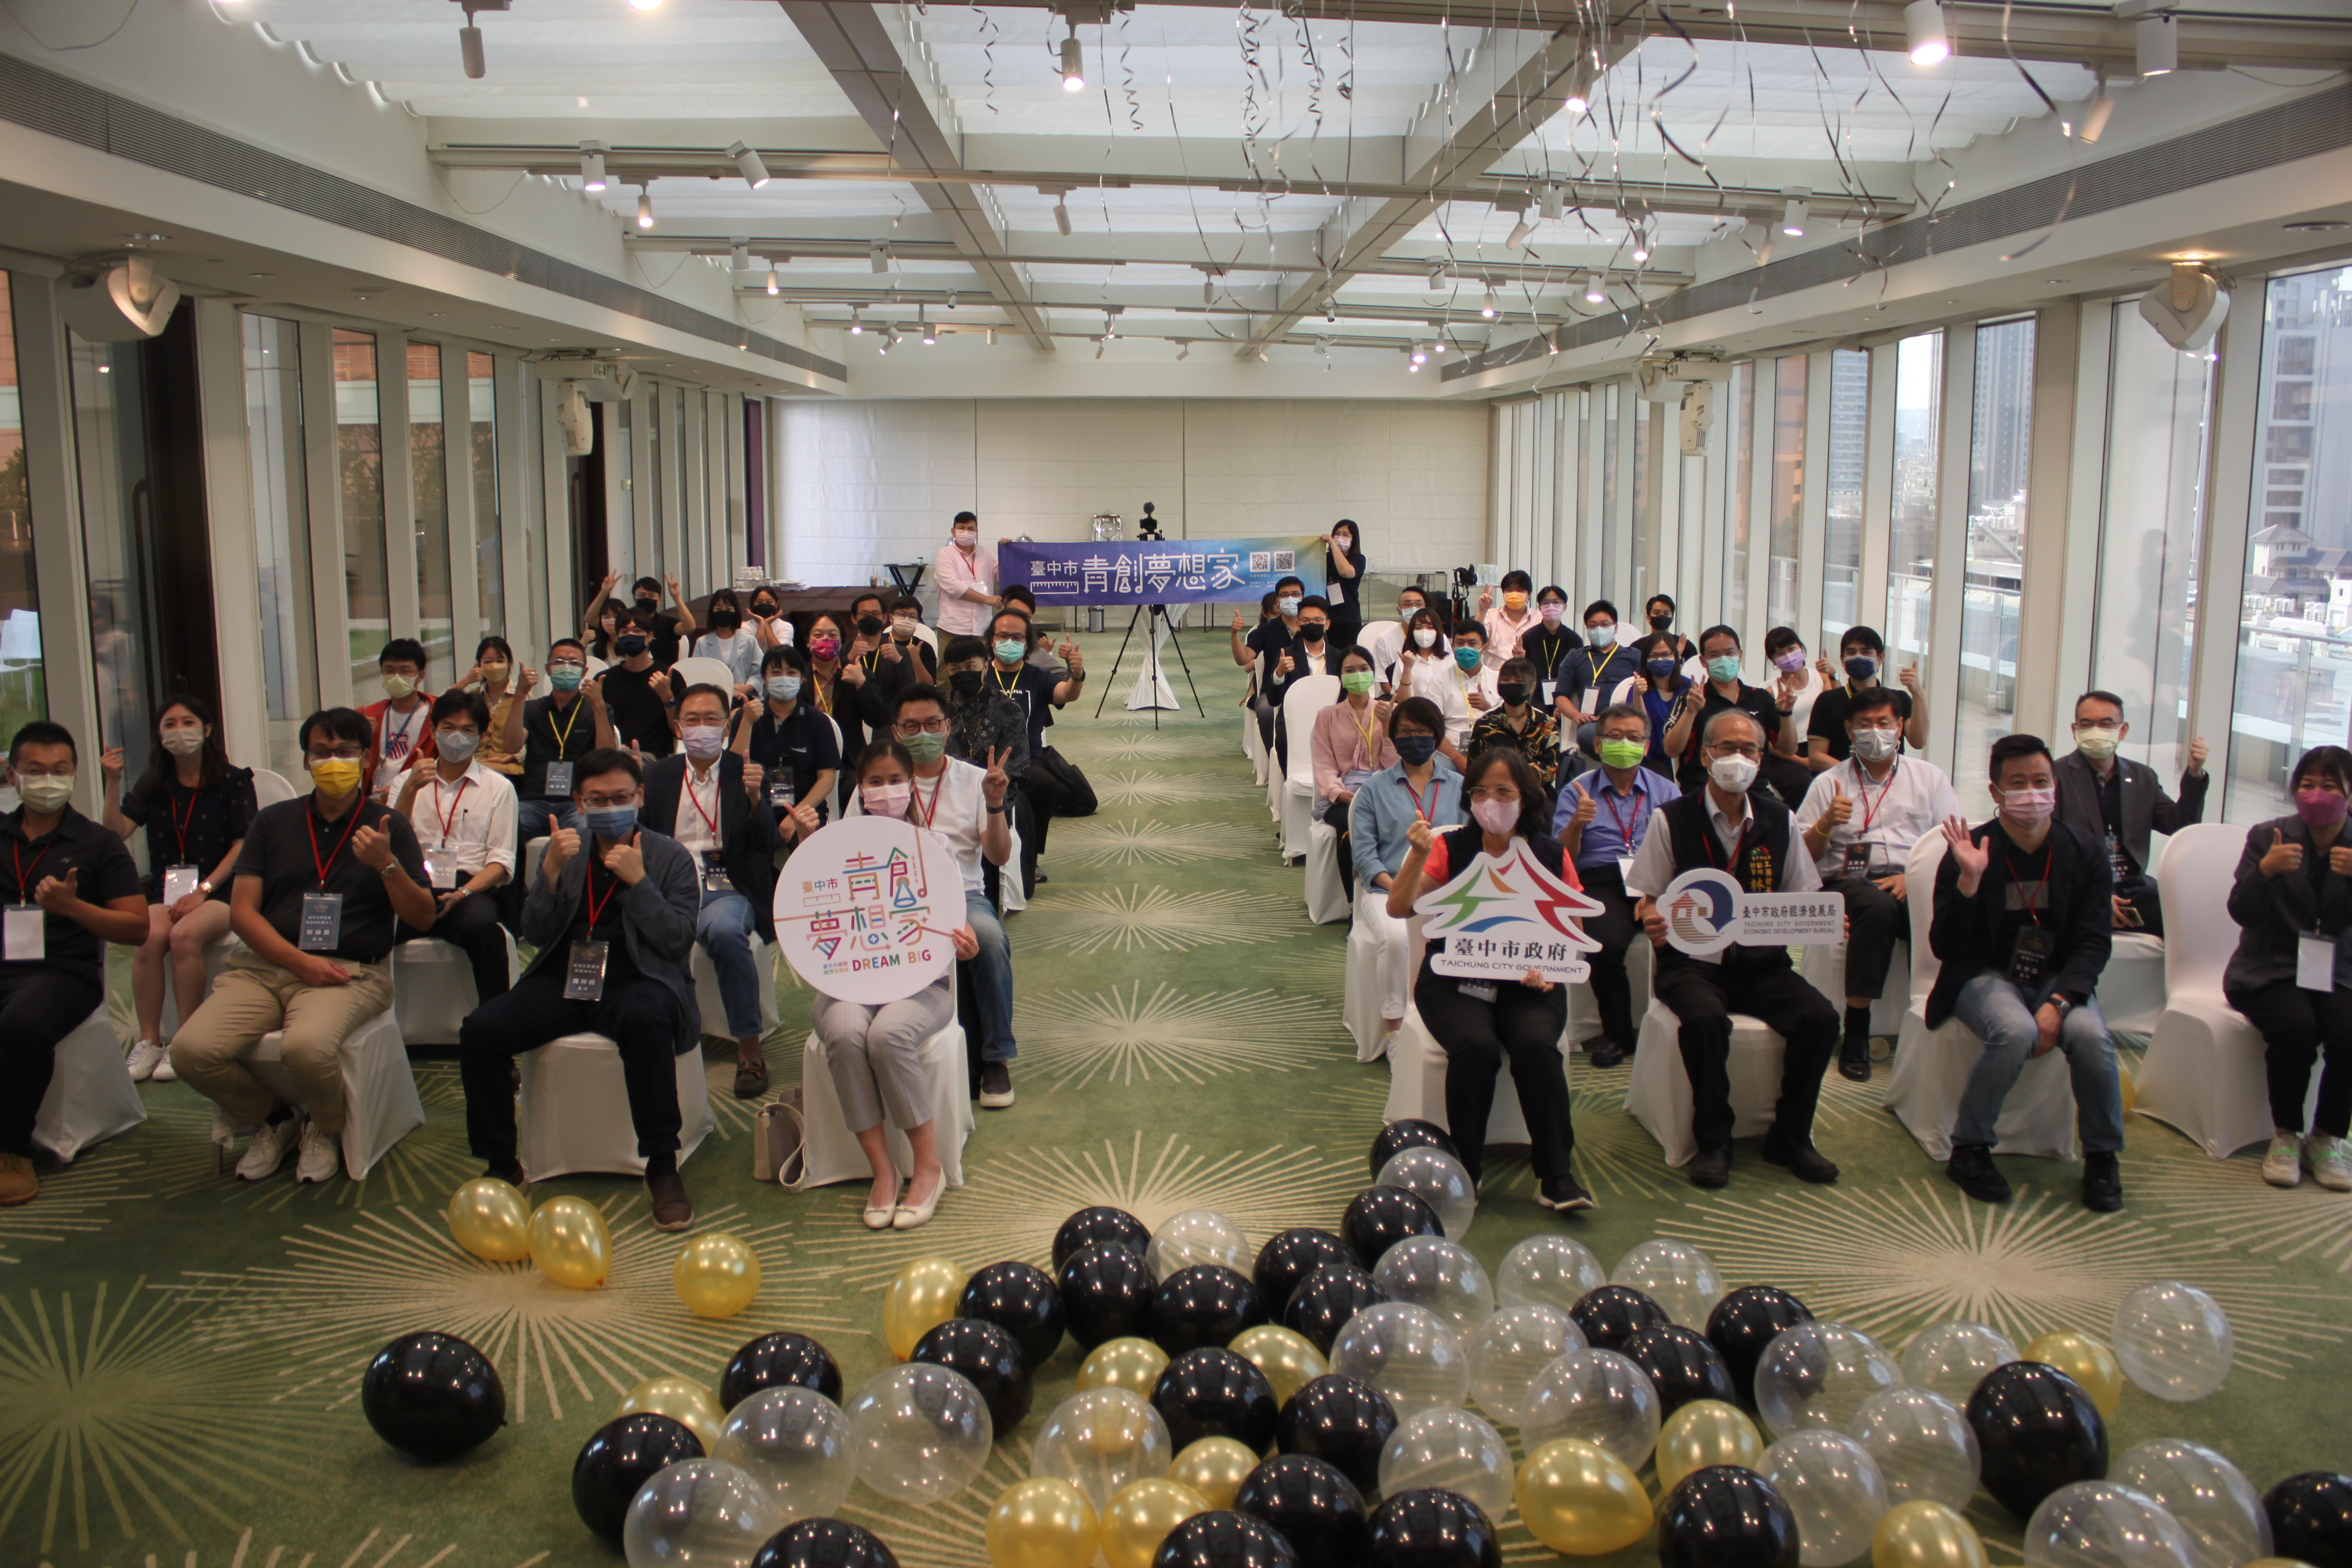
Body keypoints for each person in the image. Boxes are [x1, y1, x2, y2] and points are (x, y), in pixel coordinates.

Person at [171, 708, 436, 1184]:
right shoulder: (273, 822)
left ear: (365, 758)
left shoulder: (388, 825)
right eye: (321, 752)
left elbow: (423, 916)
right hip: (265, 967)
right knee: (190, 1051)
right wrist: (299, 963)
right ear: (307, 760)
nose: (332, 762)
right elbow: (243, 913)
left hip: (352, 972)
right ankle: (275, 1118)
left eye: (344, 752)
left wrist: (387, 865)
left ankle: (325, 1126)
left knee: (306, 1048)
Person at [455, 746, 703, 1229]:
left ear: (641, 797)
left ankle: (661, 1165)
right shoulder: (566, 852)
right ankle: (502, 1163)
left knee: (646, 1019)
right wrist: (548, 875)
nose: (611, 808)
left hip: (640, 977)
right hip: (566, 977)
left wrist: (639, 884)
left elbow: (677, 940)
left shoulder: (669, 856)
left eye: (622, 797)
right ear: (579, 802)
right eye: (598, 799)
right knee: (481, 1029)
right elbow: (537, 933)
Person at [1628, 709, 1842, 1189]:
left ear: (1761, 759)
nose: (1738, 758)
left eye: (1749, 750)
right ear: (1705, 756)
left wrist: (1829, 918)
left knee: (1821, 1018)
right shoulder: (1672, 819)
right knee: (1705, 1020)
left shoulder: (1779, 819)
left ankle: (1790, 1137)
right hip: (1692, 965)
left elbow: (1801, 894)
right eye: (1727, 748)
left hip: (1762, 965)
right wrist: (1653, 917)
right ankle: (1714, 1141)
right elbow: (1649, 896)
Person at [1387, 747, 1592, 1212]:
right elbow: (1399, 908)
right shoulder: (1450, 848)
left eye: (1503, 792)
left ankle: (1556, 1175)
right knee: (1475, 1047)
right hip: (1454, 980)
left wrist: (1552, 969)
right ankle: (1466, 1169)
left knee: (1537, 1044)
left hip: (1530, 981)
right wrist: (1417, 856)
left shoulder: (1550, 854)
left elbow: (1573, 933)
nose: (1490, 802)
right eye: (1480, 792)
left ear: (1526, 797)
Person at [1925, 734, 2121, 1212]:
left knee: (2091, 1037)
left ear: (2055, 785)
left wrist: (2060, 1003)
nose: (2032, 793)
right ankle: (1970, 1148)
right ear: (1996, 791)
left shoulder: (2084, 851)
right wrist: (1969, 882)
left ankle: (2102, 1156)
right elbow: (1945, 948)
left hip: (2057, 976)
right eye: (2018, 783)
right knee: (2014, 1030)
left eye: (2041, 781)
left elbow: (2094, 942)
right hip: (1984, 974)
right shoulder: (1969, 851)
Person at [791, 740, 981, 1230]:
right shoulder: (835, 846)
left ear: (911, 785)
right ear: (860, 788)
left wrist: (965, 942)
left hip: (922, 984)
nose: (886, 790)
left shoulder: (934, 847)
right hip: (848, 984)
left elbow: (953, 917)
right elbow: (808, 913)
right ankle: (883, 1170)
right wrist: (806, 845)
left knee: (888, 1035)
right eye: (875, 781)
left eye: (896, 780)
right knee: (844, 1032)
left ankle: (928, 1167)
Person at [0, 723, 149, 1206]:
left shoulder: (98, 843)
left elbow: (137, 928)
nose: (48, 779)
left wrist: (73, 908)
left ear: (74, 775)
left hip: (64, 973)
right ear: (12, 775)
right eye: (35, 769)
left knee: (20, 1025)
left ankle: (11, 1150)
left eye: (59, 770)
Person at [857, 686, 1019, 1108]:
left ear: (948, 727)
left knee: (988, 937)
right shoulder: (880, 784)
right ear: (896, 731)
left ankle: (996, 1058)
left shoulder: (974, 780)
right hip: (892, 900)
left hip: (960, 894)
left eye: (932, 724)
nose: (923, 733)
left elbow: (998, 856)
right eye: (911, 726)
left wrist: (996, 804)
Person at [1795, 687, 1961, 1081]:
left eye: (1884, 722)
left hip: (1911, 879)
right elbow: (1802, 858)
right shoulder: (1829, 784)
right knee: (1876, 907)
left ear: (1900, 727)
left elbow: (1953, 843)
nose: (1875, 732)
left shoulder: (1929, 778)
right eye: (1865, 724)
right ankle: (1857, 1028)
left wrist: (1913, 877)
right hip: (1848, 883)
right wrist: (1826, 824)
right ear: (1849, 730)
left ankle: (1935, 1015)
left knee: (1940, 913)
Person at [102, 697, 256, 1081]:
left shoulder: (235, 781)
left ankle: (185, 1041)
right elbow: (115, 833)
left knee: (184, 936)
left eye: (188, 722)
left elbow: (243, 846)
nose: (179, 731)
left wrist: (203, 890)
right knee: (148, 937)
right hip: (167, 890)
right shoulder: (153, 784)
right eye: (169, 724)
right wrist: (113, 783)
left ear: (207, 730)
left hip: (221, 889)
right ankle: (150, 1040)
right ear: (159, 735)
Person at [641, 684, 783, 1100]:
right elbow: (641, 837)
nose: (701, 727)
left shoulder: (746, 770)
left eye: (711, 719)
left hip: (726, 888)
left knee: (725, 934)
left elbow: (769, 843)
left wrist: (756, 801)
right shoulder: (658, 775)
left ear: (726, 728)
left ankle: (749, 1047)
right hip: (668, 886)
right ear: (678, 726)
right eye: (692, 719)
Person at [2224, 746, 2352, 1191]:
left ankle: (2327, 1137)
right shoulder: (2268, 836)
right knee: (2297, 1026)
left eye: (2330, 786)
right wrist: (2265, 872)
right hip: (2270, 967)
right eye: (2307, 784)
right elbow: (2241, 912)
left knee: (2349, 1030)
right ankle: (2286, 1135)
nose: (2317, 794)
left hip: (2339, 971)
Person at [1556, 702, 1680, 1068]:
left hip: (1657, 878)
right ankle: (1618, 1034)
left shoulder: (1666, 791)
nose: (1624, 743)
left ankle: (1676, 1025)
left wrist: (1654, 893)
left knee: (1682, 936)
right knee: (1605, 944)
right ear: (1598, 744)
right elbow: (1563, 858)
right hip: (1603, 879)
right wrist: (1577, 824)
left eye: (1633, 738)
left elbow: (1681, 851)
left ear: (1646, 745)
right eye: (1614, 736)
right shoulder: (1577, 791)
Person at [390, 691, 518, 1008]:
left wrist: (461, 894)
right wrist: (410, 791)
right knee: (370, 926)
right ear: (433, 730)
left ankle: (493, 1020)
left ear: (482, 736)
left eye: (467, 730)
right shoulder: (405, 782)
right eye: (448, 728)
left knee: (484, 931)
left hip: (468, 889)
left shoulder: (498, 788)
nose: (456, 737)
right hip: (413, 885)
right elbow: (391, 844)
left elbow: (501, 862)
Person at [1350, 698, 1469, 1039]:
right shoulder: (1374, 789)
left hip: (1446, 891)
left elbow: (1470, 844)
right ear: (1393, 737)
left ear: (1437, 736)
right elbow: (1365, 856)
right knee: (1398, 938)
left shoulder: (1460, 787)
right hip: (1387, 889)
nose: (1413, 738)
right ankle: (1395, 1026)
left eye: (1422, 731)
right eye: (1404, 732)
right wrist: (1400, 889)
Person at [2053, 691, 2209, 937]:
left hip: (2133, 888)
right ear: (2075, 730)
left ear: (2123, 730)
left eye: (2106, 724)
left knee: (2191, 921)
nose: (2096, 731)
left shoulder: (2142, 776)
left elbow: (2180, 825)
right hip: (2081, 888)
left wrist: (2195, 774)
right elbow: (2051, 848)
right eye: (2087, 724)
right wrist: (2095, 895)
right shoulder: (2055, 776)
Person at [1663, 626, 1813, 808]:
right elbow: (1671, 750)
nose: (1724, 659)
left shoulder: (1760, 698)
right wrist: (1691, 711)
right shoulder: (1691, 698)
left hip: (1754, 790)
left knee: (1785, 819)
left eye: (1730, 653)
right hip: (1703, 790)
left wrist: (1786, 713)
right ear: (1703, 661)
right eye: (1715, 655)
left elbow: (1789, 749)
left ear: (1740, 655)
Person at [986, 608, 1082, 892]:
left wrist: (1076, 674)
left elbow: (1065, 694)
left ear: (1027, 643)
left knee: (1046, 785)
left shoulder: (1037, 677)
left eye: (1017, 637)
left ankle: (1032, 856)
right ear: (992, 640)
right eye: (1003, 636)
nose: (1009, 642)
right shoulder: (980, 674)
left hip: (1027, 758)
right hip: (983, 758)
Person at [506, 637, 616, 871]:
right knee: (506, 833)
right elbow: (511, 746)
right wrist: (520, 695)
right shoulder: (532, 708)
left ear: (584, 672)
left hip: (577, 801)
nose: (566, 667)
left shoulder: (597, 708)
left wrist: (598, 705)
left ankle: (572, 890)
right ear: (548, 669)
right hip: (534, 800)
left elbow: (606, 756)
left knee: (587, 835)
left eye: (574, 663)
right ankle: (517, 892)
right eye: (559, 661)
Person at [735, 644, 841, 852]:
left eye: (791, 672)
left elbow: (827, 779)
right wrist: (747, 722)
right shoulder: (747, 716)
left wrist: (796, 816)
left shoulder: (817, 721)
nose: (784, 678)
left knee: (808, 854)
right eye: (776, 672)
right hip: (757, 806)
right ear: (765, 679)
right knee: (752, 853)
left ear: (802, 678)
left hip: (805, 808)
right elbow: (735, 767)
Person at [1312, 646, 1396, 903]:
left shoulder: (1387, 711)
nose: (1357, 675)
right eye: (1349, 670)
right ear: (1341, 676)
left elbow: (1394, 765)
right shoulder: (1328, 716)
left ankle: (1387, 894)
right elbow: (1324, 764)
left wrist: (1388, 727)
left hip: (1381, 789)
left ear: (1373, 672)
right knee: (1350, 824)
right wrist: (1340, 794)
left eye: (1363, 669)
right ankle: (1354, 904)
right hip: (1344, 794)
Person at [1806, 625, 1926, 766]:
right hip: (1841, 778)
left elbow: (1919, 742)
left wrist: (1918, 693)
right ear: (1843, 660)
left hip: (1892, 776)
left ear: (1881, 658)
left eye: (1866, 652)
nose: (1858, 657)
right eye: (1851, 652)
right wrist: (1853, 774)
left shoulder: (1899, 699)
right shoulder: (1827, 701)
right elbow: (1816, 757)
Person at [1398, 621, 1494, 764]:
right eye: (1460, 643)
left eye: (1472, 644)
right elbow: (1433, 727)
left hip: (1490, 751)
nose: (1465, 648)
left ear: (1484, 648)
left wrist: (1489, 709)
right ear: (1453, 647)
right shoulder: (1439, 681)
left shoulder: (1497, 680)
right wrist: (1457, 758)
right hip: (1450, 754)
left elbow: (1507, 723)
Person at [1231, 575, 1308, 754]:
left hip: (1307, 687)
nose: (1291, 599)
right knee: (1266, 711)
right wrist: (1235, 634)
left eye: (1295, 594)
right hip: (1273, 691)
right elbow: (1243, 659)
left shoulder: (1312, 627)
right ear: (1278, 601)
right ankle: (1276, 756)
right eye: (1285, 595)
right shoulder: (1266, 630)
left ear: (1302, 598)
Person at [1553, 601, 1641, 754]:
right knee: (1588, 735)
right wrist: (1576, 715)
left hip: (1627, 719)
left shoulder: (1633, 655)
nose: (1599, 630)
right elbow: (1561, 696)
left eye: (1605, 624)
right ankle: (1619, 759)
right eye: (1593, 626)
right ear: (1587, 629)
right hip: (1594, 724)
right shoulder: (1575, 657)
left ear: (1616, 628)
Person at [1469, 657, 1562, 795]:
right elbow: (1475, 768)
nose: (1511, 684)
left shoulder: (1547, 724)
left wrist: (1522, 787)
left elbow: (1550, 769)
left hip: (1536, 794)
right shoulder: (1484, 725)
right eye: (1506, 680)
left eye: (1519, 681)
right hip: (1494, 794)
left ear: (1532, 687)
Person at [596, 610, 678, 757]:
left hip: (655, 758)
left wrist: (667, 697)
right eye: (624, 632)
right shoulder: (605, 679)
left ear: (650, 636)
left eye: (637, 631)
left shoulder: (668, 676)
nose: (630, 635)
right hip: (616, 756)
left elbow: (679, 731)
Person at [362, 638, 436, 799]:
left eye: (405, 671)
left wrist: (403, 789)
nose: (396, 677)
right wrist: (356, 735)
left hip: (418, 799)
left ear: (421, 675)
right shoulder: (368, 715)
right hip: (374, 801)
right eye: (389, 670)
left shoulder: (437, 714)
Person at [455, 636, 527, 781]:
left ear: (509, 664)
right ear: (479, 665)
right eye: (488, 661)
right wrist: (466, 681)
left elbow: (531, 738)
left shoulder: (521, 695)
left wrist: (510, 757)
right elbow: (440, 708)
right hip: (473, 768)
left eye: (500, 661)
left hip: (510, 770)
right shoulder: (473, 696)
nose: (494, 666)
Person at [1621, 632, 1691, 778]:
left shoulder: (1688, 688)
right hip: (1651, 759)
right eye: (1654, 656)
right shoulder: (1639, 689)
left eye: (1666, 655)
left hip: (1685, 757)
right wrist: (1638, 696)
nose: (1660, 660)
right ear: (1646, 660)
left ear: (1675, 656)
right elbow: (1641, 730)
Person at [1764, 628, 1833, 772]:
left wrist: (1834, 674)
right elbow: (1767, 742)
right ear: (1773, 661)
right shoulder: (1768, 691)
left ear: (1802, 648)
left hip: (1821, 747)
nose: (1788, 656)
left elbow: (1836, 713)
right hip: (1788, 756)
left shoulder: (1822, 678)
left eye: (1792, 649)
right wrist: (1803, 762)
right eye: (1780, 653)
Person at [935, 511, 1001, 637]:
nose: (966, 532)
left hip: (983, 627)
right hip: (954, 628)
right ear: (953, 531)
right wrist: (986, 599)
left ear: (976, 532)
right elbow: (954, 587)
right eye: (962, 528)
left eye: (971, 529)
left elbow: (1005, 575)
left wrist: (1007, 551)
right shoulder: (945, 554)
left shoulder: (986, 554)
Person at [1365, 585, 1443, 679]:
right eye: (1408, 605)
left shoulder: (1440, 637)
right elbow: (1383, 679)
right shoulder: (1385, 640)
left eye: (1419, 604)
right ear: (1399, 610)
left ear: (1425, 607)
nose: (1414, 609)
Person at [1523, 586, 1582, 711]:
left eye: (1557, 602)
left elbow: (1578, 676)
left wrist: (1565, 705)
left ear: (1565, 607)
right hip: (1534, 699)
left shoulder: (1574, 639)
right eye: (1546, 603)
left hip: (1566, 699)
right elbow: (1525, 674)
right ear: (1540, 607)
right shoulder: (1528, 637)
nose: (1551, 606)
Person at [694, 592, 762, 693]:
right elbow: (697, 674)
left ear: (736, 612)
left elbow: (758, 673)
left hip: (744, 696)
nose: (723, 612)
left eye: (729, 609)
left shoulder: (750, 641)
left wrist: (744, 689)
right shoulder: (702, 643)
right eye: (718, 609)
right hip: (713, 696)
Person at [1477, 570, 1542, 665]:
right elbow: (1475, 637)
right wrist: (1482, 610)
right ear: (1504, 594)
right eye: (1510, 590)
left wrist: (1527, 656)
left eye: (1520, 590)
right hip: (1495, 673)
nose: (1514, 594)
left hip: (1527, 671)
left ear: (1529, 595)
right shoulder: (1491, 615)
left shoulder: (1539, 618)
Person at [1323, 521, 1367, 651]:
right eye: (1337, 534)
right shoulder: (1326, 558)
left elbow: (1346, 572)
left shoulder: (1358, 559)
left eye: (1346, 535)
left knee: (1346, 654)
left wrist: (1332, 544)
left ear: (1354, 540)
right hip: (1326, 617)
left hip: (1347, 618)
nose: (1340, 538)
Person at [1643, 595, 1699, 669]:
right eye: (1657, 613)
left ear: (1672, 619)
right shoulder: (1638, 646)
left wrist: (1678, 657)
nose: (1662, 617)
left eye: (1666, 614)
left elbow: (1692, 671)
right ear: (1649, 618)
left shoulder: (1687, 647)